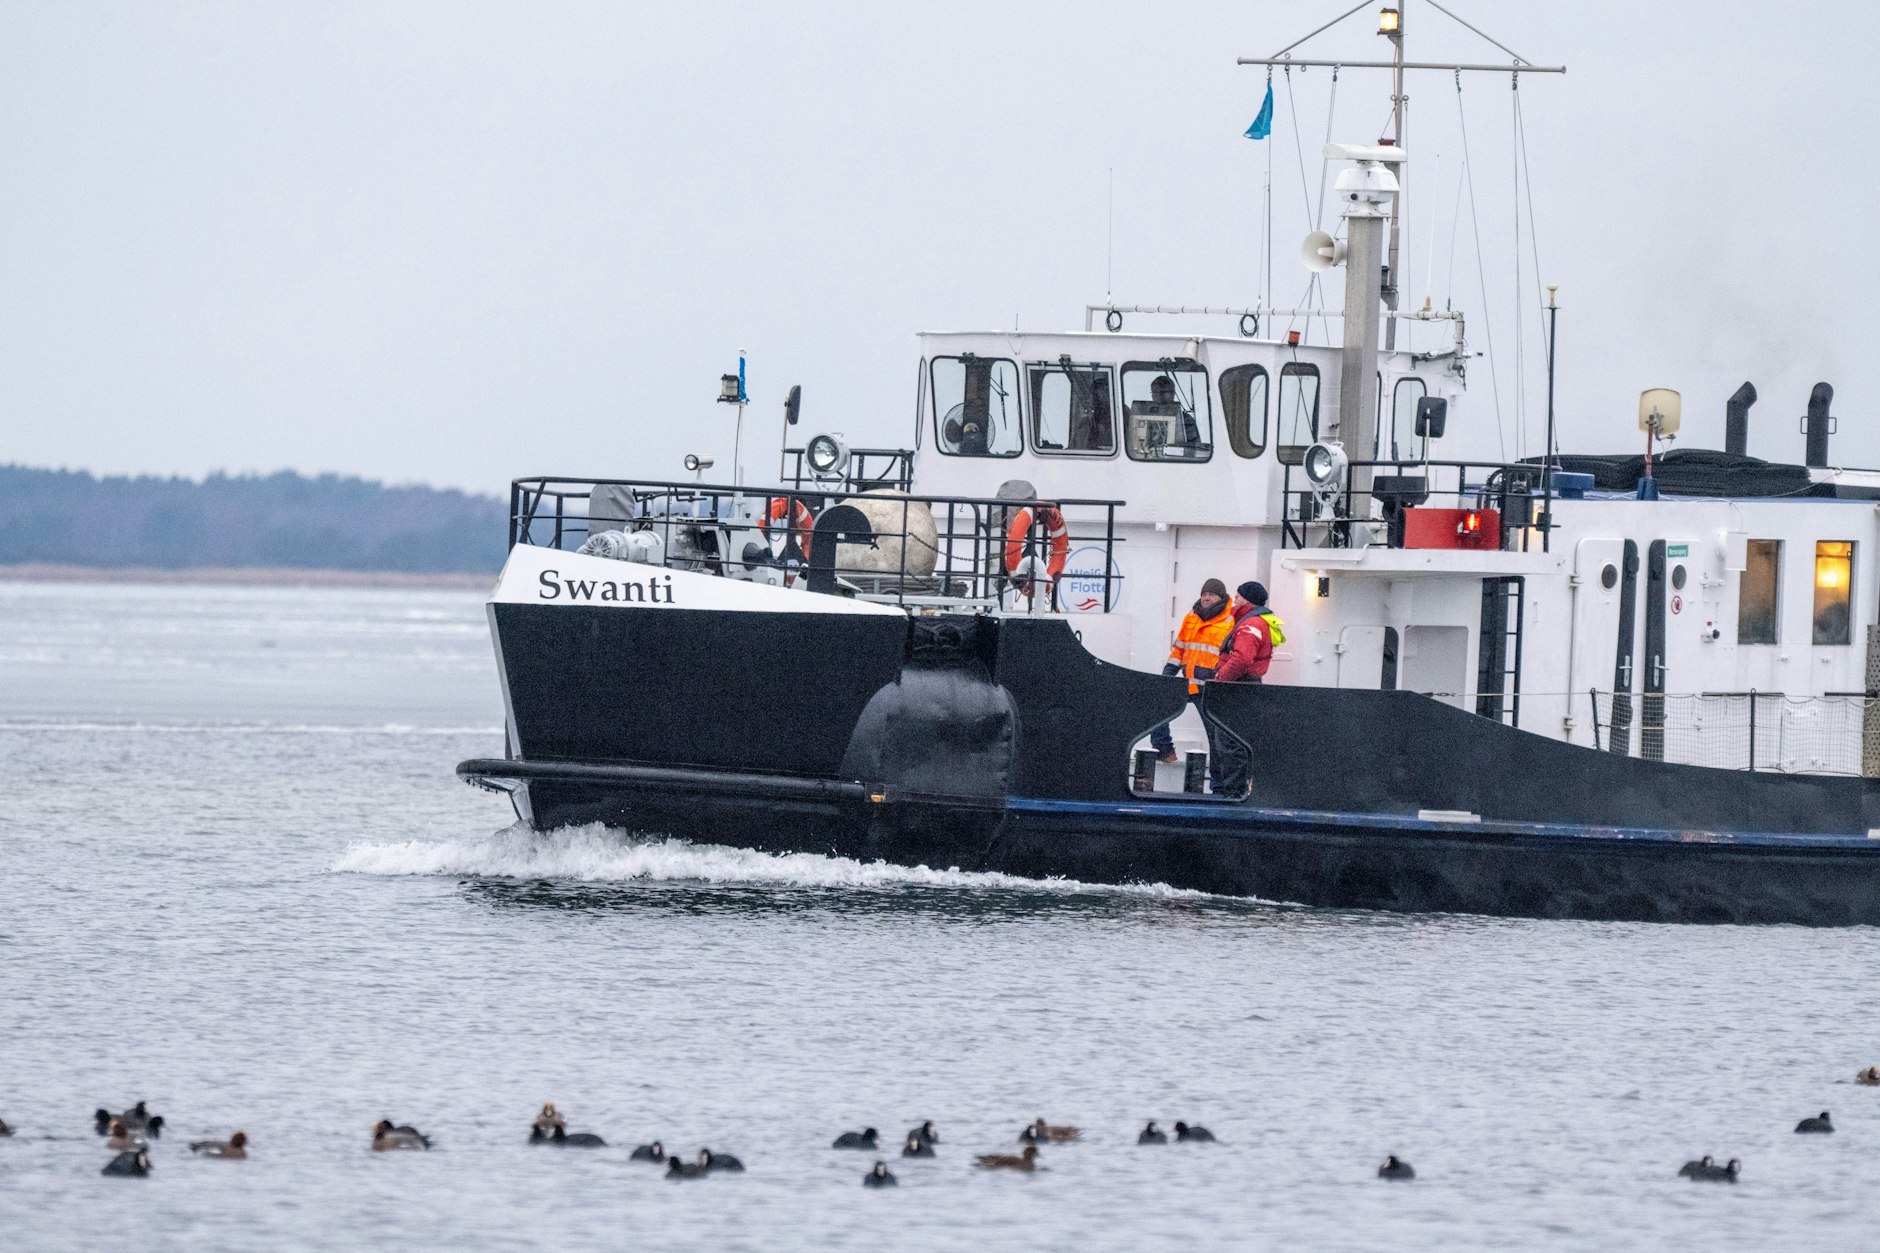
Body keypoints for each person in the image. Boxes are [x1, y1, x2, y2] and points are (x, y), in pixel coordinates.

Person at [1208, 581, 1283, 798]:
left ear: (1246, 600)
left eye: (1238, 596)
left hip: (1236, 689)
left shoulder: (1250, 625)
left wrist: (1220, 678)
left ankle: (1233, 793)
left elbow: (1241, 659)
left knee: (1229, 742)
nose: (1234, 600)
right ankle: (1237, 790)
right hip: (1245, 687)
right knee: (1237, 741)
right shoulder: (1258, 622)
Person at [1149, 578, 1234, 765]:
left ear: (1221, 597)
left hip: (1211, 689)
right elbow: (1180, 648)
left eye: (1211, 594)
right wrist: (1168, 674)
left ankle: (1219, 785)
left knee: (1216, 738)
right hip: (1190, 685)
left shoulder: (1231, 619)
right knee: (1157, 705)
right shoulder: (1192, 616)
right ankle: (1164, 749)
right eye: (1204, 594)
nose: (1206, 598)